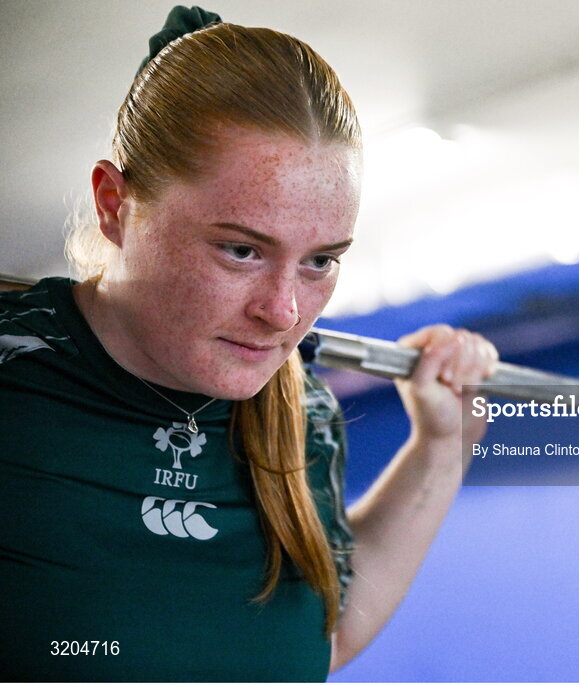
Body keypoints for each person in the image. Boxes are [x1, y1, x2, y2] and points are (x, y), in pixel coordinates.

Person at [0, 6, 497, 680]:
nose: (284, 311)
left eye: (320, 260)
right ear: (115, 206)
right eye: (241, 249)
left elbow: (324, 631)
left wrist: (444, 447)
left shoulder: (303, 415)